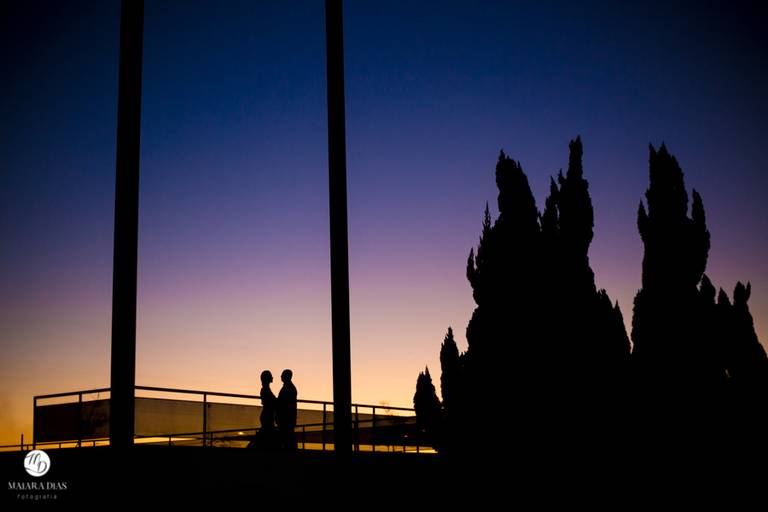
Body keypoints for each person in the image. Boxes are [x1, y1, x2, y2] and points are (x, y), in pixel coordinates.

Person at [250, 370, 277, 450]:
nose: (272, 377)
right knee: (267, 436)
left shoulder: (265, 389)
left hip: (267, 415)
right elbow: (270, 402)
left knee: (266, 435)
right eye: (270, 376)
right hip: (267, 415)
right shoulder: (265, 390)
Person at [276, 369, 298, 452]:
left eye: (282, 375)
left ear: (288, 376)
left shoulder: (289, 388)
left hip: (286, 419)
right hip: (286, 419)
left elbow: (285, 403)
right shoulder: (288, 387)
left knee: (287, 440)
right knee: (288, 439)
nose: (281, 376)